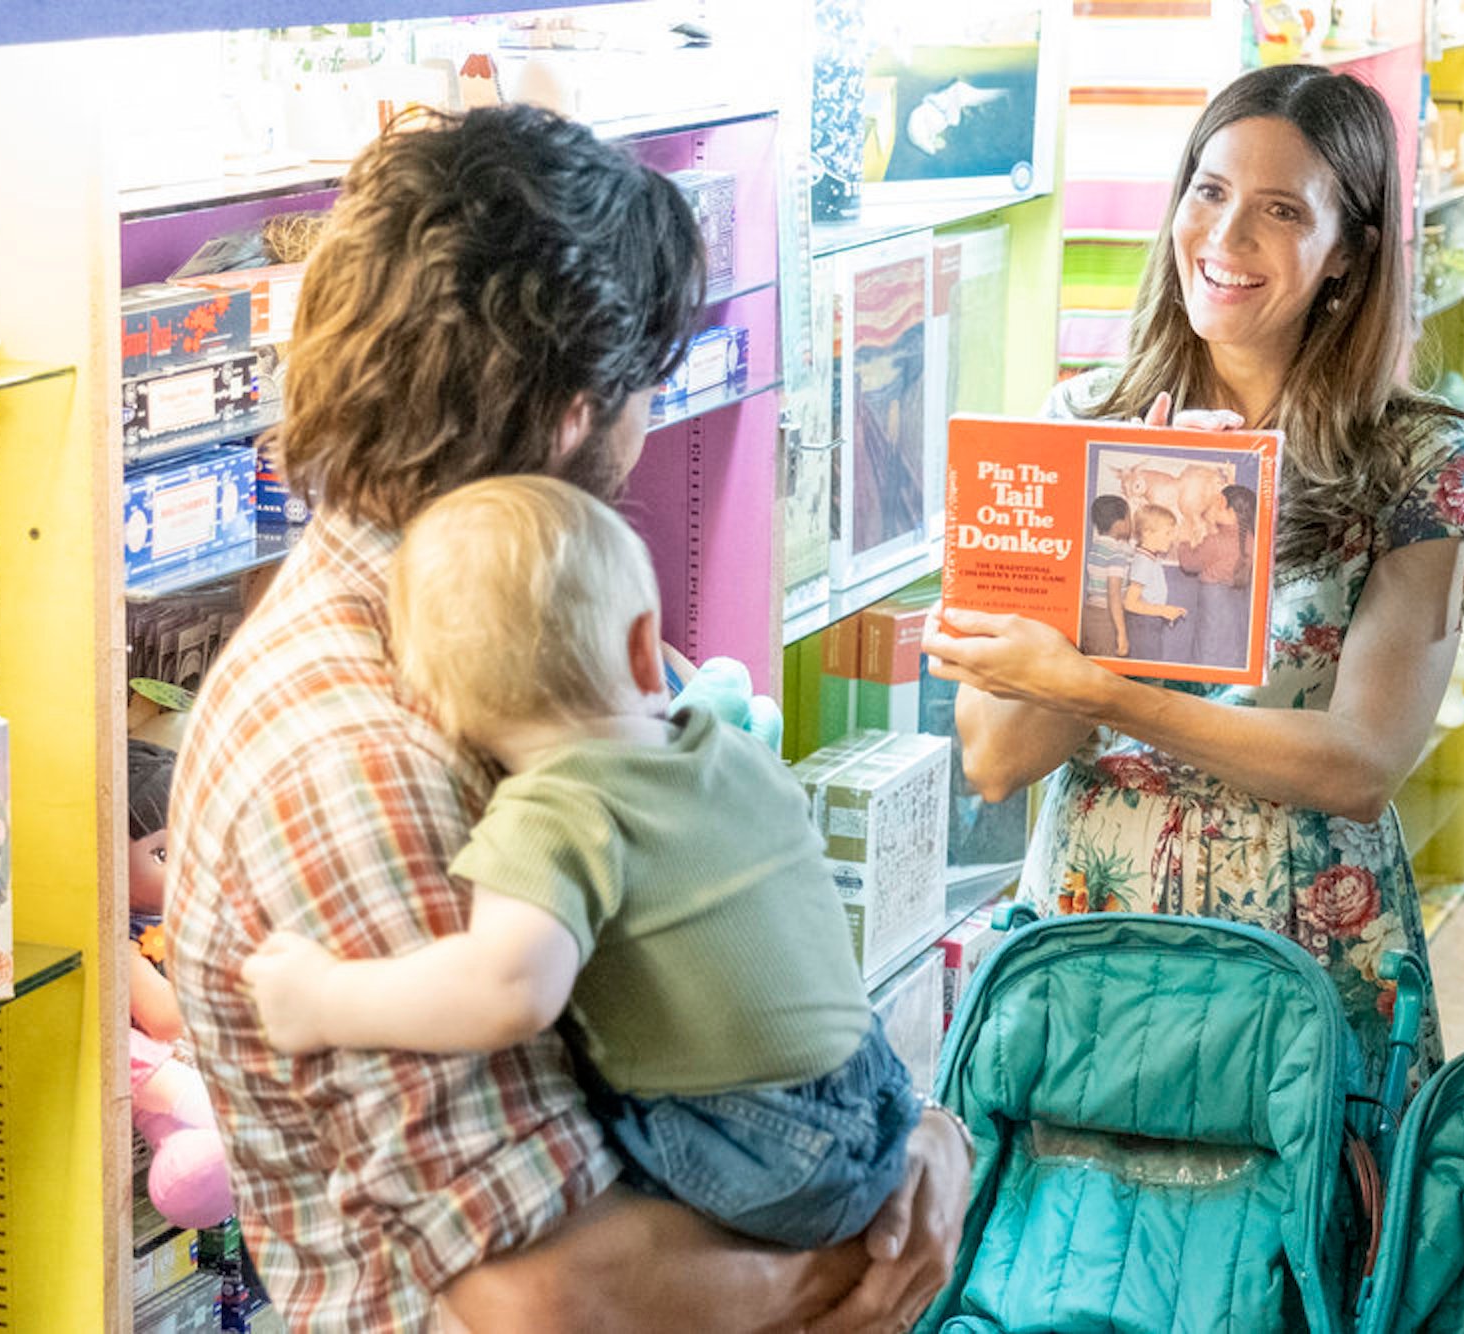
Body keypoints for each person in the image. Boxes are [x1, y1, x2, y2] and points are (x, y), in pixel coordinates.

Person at [163, 104, 971, 1333]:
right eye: (649, 386)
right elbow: (550, 1289)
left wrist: (914, 1134)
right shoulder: (360, 748)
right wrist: (871, 1249)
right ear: (573, 416)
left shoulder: (523, 625)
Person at [925, 63, 1464, 1089]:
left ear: (1348, 255)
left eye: (1278, 210)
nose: (1224, 241)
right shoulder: (1080, 425)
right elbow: (997, 757)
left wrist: (1100, 691)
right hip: (1095, 943)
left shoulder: (1420, 464)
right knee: (1079, 1250)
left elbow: (1358, 764)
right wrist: (1134, 552)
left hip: (1301, 962)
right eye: (1209, 190)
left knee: (1298, 1250)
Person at [239, 475, 919, 1253]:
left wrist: (325, 998)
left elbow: (508, 991)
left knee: (584, 1094)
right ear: (643, 649)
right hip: (878, 1100)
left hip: (758, 1153)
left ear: (431, 706)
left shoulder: (552, 810)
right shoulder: (729, 749)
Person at [1177, 483, 1258, 668]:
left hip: (1213, 599)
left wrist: (1183, 540)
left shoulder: (1216, 542)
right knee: (1231, 642)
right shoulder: (1250, 539)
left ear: (1222, 503)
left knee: (1208, 642)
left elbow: (1189, 563)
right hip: (1236, 598)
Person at [1119, 503, 1189, 663]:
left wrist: (1167, 610)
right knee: (1147, 673)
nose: (1172, 538)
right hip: (1142, 626)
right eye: (1168, 533)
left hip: (1147, 623)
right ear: (1147, 533)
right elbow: (1129, 604)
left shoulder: (1149, 558)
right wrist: (1162, 610)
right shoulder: (1144, 562)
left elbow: (1148, 596)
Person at [1080, 494, 1132, 657]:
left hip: (1089, 614)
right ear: (1119, 524)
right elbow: (1114, 594)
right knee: (1107, 667)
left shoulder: (1097, 547)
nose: (1131, 522)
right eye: (1128, 518)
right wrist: (1122, 634)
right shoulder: (1116, 555)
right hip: (1106, 618)